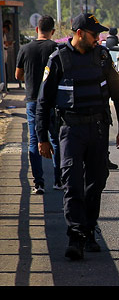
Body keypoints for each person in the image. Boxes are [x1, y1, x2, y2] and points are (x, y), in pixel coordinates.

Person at [36, 13, 119, 260]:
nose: (99, 39)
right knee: (72, 183)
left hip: (98, 130)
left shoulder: (102, 57)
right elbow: (43, 102)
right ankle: (75, 237)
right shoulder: (58, 59)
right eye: (94, 34)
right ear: (79, 33)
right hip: (70, 131)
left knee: (96, 182)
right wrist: (42, 138)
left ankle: (88, 230)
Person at [15, 15, 61, 194]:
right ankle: (58, 180)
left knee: (34, 141)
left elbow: (17, 75)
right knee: (56, 140)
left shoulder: (25, 49)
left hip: (33, 101)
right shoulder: (56, 48)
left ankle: (39, 183)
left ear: (37, 29)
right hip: (53, 102)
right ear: (53, 31)